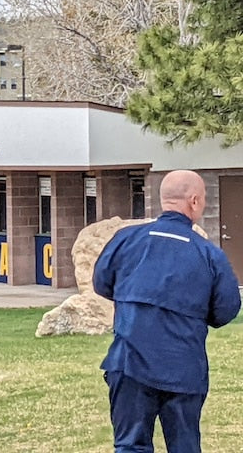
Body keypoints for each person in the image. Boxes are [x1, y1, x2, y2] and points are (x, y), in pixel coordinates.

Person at [93, 170, 241, 453]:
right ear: (195, 201)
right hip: (183, 370)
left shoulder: (125, 240)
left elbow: (102, 283)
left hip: (129, 364)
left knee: (130, 447)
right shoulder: (208, 255)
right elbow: (226, 310)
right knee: (184, 446)